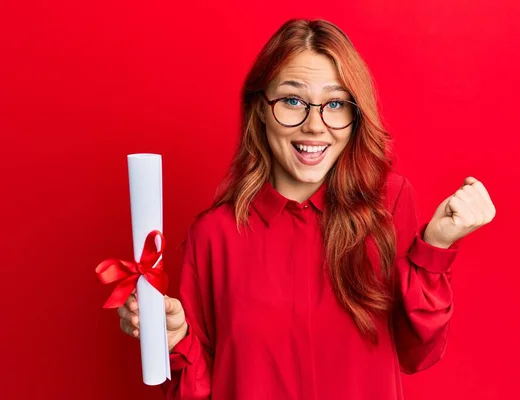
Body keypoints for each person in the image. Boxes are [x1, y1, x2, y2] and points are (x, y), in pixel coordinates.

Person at [117, 18, 495, 400]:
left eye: (335, 104)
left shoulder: (390, 204)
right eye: (292, 100)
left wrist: (435, 247)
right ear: (260, 109)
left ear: (355, 115)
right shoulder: (214, 234)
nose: (315, 125)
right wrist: (176, 338)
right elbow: (198, 390)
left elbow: (418, 353)